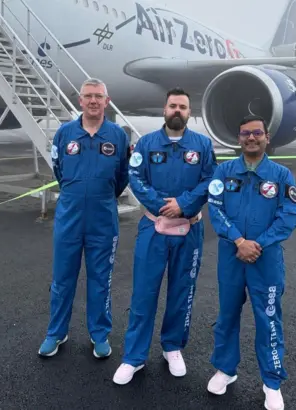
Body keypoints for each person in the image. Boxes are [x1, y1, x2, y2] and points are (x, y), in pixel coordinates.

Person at [112, 87, 217, 385]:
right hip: (153, 229)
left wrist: (183, 203)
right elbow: (136, 178)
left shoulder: (203, 146)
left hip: (189, 229)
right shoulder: (146, 144)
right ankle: (134, 356)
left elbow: (211, 179)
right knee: (144, 292)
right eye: (173, 106)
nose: (177, 111)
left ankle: (172, 347)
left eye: (183, 107)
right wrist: (161, 205)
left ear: (189, 112)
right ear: (164, 109)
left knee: (182, 291)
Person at [206, 114, 296, 410]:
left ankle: (271, 382)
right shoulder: (224, 172)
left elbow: (289, 215)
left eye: (257, 133)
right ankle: (225, 369)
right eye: (245, 133)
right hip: (232, 256)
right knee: (227, 316)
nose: (251, 137)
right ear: (238, 138)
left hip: (265, 259)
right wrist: (238, 241)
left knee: (269, 320)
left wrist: (258, 244)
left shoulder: (282, 175)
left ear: (266, 137)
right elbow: (215, 209)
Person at [38, 78, 131, 359]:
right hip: (69, 216)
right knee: (63, 278)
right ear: (80, 100)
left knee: (101, 279)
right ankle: (56, 332)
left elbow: (122, 177)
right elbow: (59, 170)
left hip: (103, 218)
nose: (93, 101)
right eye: (88, 96)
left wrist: (101, 195)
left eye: (98, 96)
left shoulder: (118, 136)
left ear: (107, 100)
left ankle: (99, 333)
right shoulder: (65, 134)